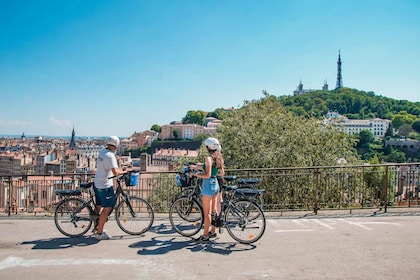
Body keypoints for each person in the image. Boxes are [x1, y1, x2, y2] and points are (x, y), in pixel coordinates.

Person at [190, 137, 225, 243]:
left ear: (208, 147)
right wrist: (199, 166)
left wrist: (195, 174)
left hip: (208, 185)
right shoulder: (217, 158)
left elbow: (207, 174)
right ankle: (213, 231)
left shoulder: (208, 158)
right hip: (215, 184)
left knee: (207, 213)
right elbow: (219, 173)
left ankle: (205, 236)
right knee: (214, 211)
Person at [93, 136, 122, 240]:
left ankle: (96, 227)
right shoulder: (110, 156)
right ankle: (99, 233)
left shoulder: (102, 151)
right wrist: (123, 171)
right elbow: (115, 172)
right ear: (115, 145)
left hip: (97, 182)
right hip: (104, 185)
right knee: (108, 208)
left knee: (99, 205)